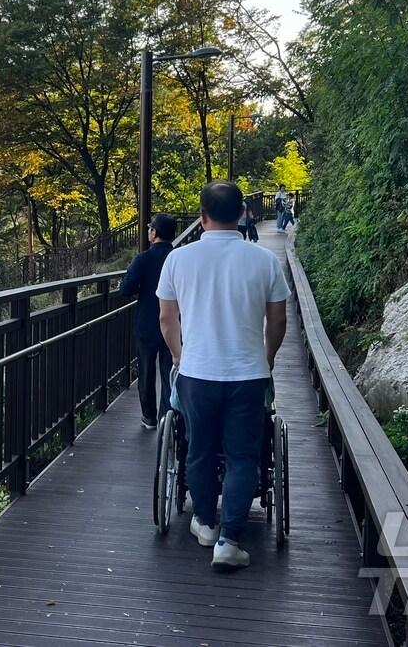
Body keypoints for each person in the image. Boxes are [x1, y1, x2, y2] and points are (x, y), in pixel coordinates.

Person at [157, 181, 290, 570]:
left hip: (197, 372)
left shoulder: (178, 260)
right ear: (243, 214)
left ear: (202, 217)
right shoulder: (264, 261)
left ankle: (204, 522)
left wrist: (180, 357)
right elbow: (278, 320)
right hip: (247, 374)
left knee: (198, 449)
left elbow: (167, 319)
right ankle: (230, 539)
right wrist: (266, 357)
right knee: (243, 455)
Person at [120, 213, 177, 430]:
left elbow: (126, 288)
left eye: (150, 229)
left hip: (146, 323)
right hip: (173, 323)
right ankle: (168, 417)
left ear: (154, 233)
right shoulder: (177, 258)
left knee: (146, 372)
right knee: (170, 371)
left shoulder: (142, 259)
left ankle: (149, 417)